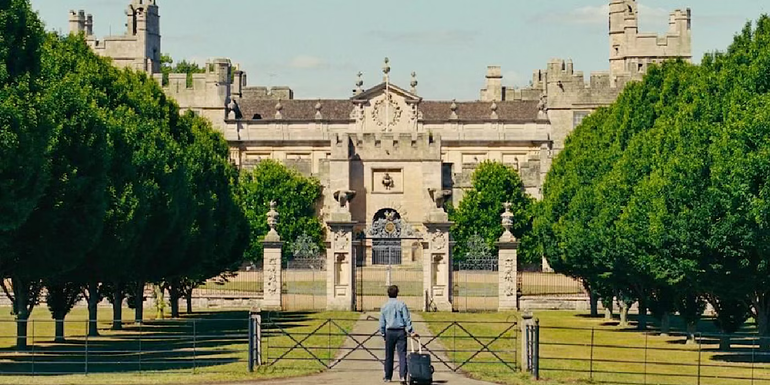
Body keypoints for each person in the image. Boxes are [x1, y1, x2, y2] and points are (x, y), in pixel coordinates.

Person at [379, 285, 418, 383]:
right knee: (402, 355)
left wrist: (383, 333)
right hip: (400, 331)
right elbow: (406, 319)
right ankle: (402, 377)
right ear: (397, 293)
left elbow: (382, 323)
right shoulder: (402, 305)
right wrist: (411, 331)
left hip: (390, 332)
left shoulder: (384, 306)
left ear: (388, 294)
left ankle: (388, 376)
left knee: (389, 355)